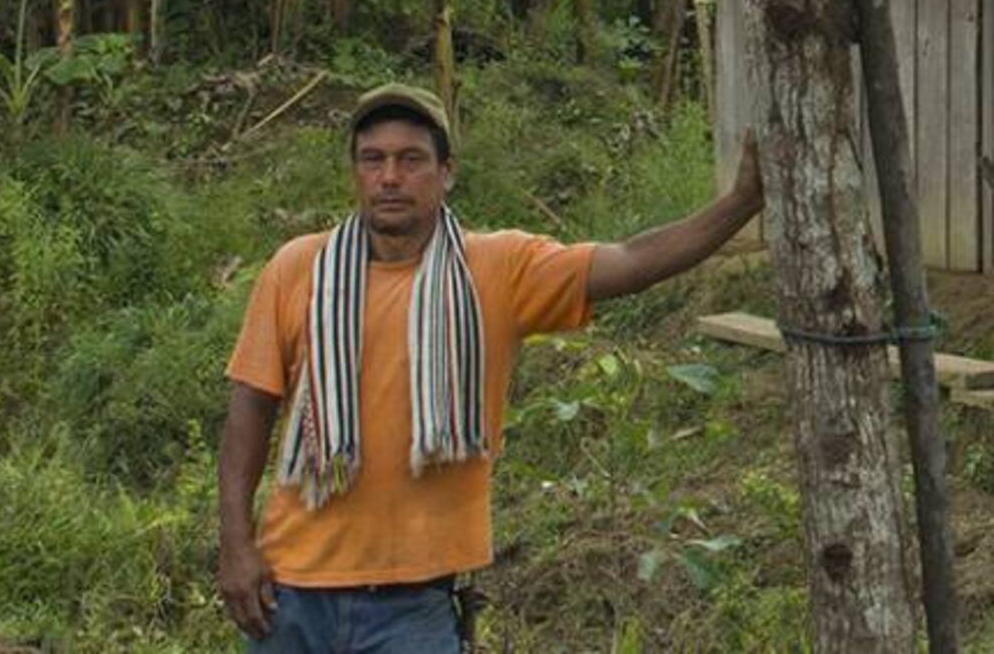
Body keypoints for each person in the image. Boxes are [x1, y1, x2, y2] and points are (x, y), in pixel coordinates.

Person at [218, 82, 763, 653]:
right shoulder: (298, 268)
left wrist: (740, 204)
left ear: (447, 172)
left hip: (414, 606)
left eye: (411, 160)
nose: (390, 177)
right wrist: (235, 544)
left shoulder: (498, 268)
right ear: (355, 172)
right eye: (372, 160)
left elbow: (630, 261)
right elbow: (249, 410)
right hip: (291, 596)